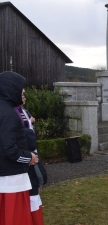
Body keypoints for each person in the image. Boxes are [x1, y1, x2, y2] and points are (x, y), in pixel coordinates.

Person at [0, 71, 39, 225]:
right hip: (11, 178)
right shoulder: (9, 114)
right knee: (15, 218)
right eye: (21, 91)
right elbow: (9, 148)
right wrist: (29, 157)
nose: (23, 94)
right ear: (11, 89)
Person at [15, 90, 47, 225]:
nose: (25, 97)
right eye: (22, 95)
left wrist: (31, 121)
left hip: (30, 151)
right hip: (25, 154)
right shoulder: (13, 113)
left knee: (37, 178)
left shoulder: (23, 111)